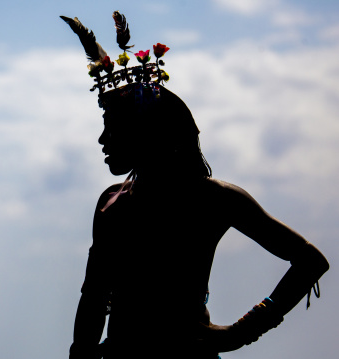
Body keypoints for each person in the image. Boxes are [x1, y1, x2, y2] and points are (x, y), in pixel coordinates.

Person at [61, 12, 329, 359]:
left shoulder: (212, 198)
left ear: (148, 133)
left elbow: (309, 261)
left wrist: (240, 333)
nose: (102, 139)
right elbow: (94, 297)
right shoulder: (111, 203)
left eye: (113, 127)